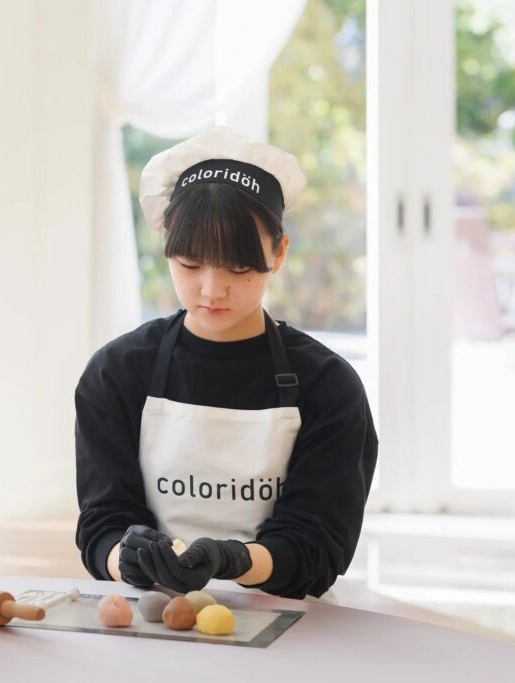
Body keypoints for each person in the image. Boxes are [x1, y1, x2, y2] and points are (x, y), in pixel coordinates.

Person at [74, 126, 378, 602]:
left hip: (286, 620)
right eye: (190, 264)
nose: (211, 290)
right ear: (167, 248)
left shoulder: (328, 385)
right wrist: (126, 557)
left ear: (278, 252)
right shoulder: (116, 373)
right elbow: (102, 525)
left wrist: (235, 560)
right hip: (151, 614)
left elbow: (317, 547)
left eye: (238, 268)